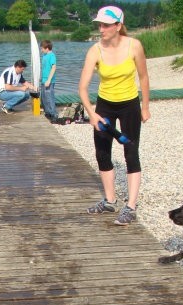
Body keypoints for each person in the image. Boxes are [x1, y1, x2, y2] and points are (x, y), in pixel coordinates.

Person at [78, 6, 150, 226]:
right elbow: (82, 87)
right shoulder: (95, 51)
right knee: (102, 153)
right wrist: (92, 113)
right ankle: (110, 201)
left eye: (106, 25)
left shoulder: (134, 46)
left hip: (129, 104)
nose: (101, 29)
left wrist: (145, 107)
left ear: (118, 26)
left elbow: (144, 77)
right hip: (104, 106)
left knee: (130, 152)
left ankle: (131, 206)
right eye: (99, 25)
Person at [40, 40, 58, 121]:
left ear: (47, 48)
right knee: (43, 97)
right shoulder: (44, 56)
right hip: (43, 80)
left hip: (49, 81)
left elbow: (54, 67)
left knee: (49, 98)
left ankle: (54, 114)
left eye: (42, 48)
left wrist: (49, 80)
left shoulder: (51, 56)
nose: (41, 50)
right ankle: (47, 113)